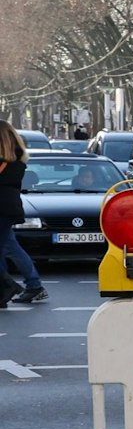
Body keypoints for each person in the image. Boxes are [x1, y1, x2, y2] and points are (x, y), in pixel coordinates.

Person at [0, 121, 45, 307]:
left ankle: (8, 287)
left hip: (2, 209)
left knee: (9, 247)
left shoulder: (5, 162)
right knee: (10, 247)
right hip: (9, 209)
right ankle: (33, 285)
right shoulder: (17, 160)